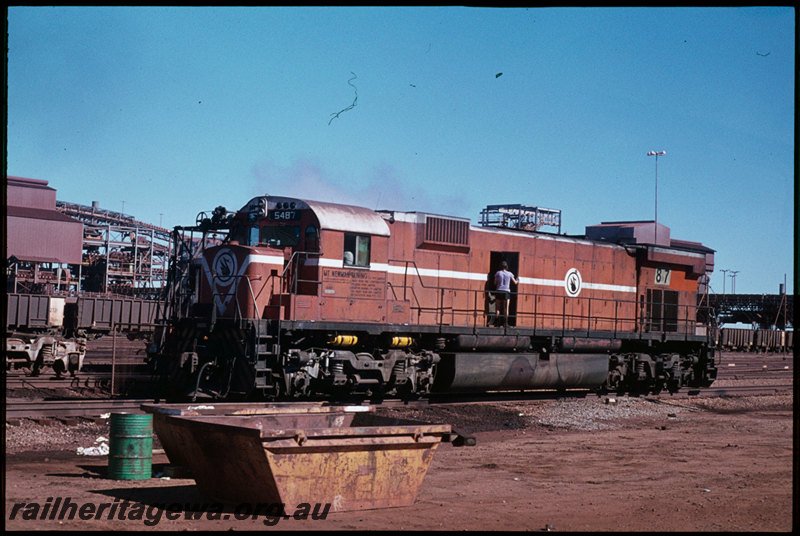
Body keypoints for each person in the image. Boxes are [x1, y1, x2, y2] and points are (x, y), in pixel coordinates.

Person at [494, 260, 518, 326]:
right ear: (506, 266)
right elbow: (515, 282)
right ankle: (505, 323)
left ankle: (497, 323)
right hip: (506, 292)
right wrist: (518, 280)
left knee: (498, 307)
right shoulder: (510, 274)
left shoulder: (498, 273)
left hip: (499, 291)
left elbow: (495, 282)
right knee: (506, 308)